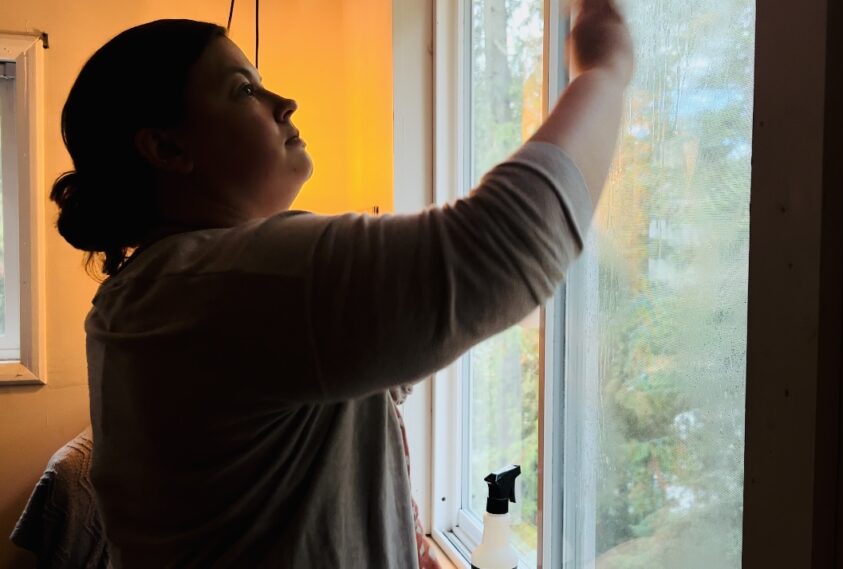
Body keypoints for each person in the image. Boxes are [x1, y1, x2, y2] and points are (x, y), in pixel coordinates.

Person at [52, 0, 633, 566]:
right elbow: (503, 248)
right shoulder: (215, 283)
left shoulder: (162, 291)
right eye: (243, 90)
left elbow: (353, 382)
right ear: (168, 147)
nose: (285, 102)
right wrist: (604, 69)